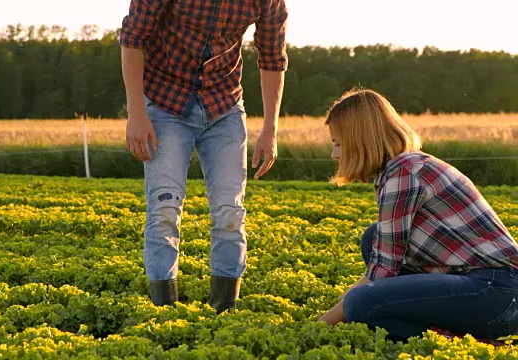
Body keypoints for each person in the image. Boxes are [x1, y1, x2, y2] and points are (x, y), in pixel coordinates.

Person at [119, 0, 288, 312]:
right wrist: (136, 114)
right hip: (164, 102)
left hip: (223, 105)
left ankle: (224, 311)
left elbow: (272, 58)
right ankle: (166, 314)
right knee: (164, 210)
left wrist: (269, 129)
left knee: (229, 213)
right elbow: (132, 39)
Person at [318, 88, 518, 342]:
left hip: (498, 294)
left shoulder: (404, 174)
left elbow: (383, 271)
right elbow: (383, 258)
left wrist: (324, 322)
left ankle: (465, 342)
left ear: (361, 141)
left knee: (362, 304)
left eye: (338, 144)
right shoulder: (403, 167)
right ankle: (456, 334)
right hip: (491, 290)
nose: (334, 154)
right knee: (373, 238)